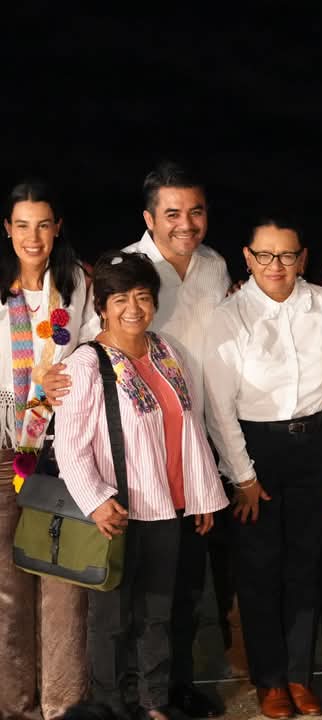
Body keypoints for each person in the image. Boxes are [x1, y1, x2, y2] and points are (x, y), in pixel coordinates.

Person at [44, 162, 232, 718]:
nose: (133, 308)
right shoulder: (87, 364)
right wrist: (97, 501)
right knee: (111, 619)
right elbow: (71, 447)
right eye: (120, 299)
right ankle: (110, 705)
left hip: (169, 509)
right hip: (119, 510)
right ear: (102, 306)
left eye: (143, 298)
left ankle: (152, 703)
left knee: (157, 614)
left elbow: (190, 430)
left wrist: (202, 497)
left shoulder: (167, 353)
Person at [203, 217, 322, 717]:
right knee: (259, 566)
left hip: (315, 446)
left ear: (302, 258)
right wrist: (243, 476)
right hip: (257, 450)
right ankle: (270, 680)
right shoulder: (229, 315)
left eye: (287, 255)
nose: (277, 265)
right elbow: (219, 407)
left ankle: (299, 675)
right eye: (265, 255)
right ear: (248, 258)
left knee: (306, 563)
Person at [0, 181, 96, 719]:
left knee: (64, 585)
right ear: (7, 230)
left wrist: (68, 375)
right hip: (4, 449)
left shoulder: (77, 283)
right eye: (22, 225)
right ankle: (15, 707)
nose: (32, 237)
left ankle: (64, 706)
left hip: (63, 452)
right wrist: (30, 390)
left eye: (43, 224)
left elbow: (94, 347)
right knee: (7, 591)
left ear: (57, 227)